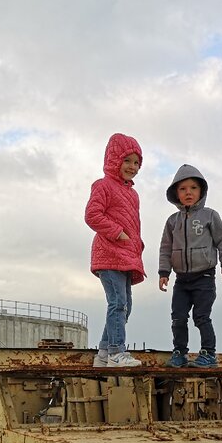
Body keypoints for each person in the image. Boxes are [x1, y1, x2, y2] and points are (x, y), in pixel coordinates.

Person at [157, 164, 222, 368]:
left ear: (201, 191)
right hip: (181, 280)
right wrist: (164, 272)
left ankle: (208, 354)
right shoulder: (173, 221)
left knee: (201, 317)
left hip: (204, 277)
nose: (188, 192)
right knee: (178, 318)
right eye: (182, 189)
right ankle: (179, 352)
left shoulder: (210, 216)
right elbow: (165, 248)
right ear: (176, 193)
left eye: (193, 188)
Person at [85, 133, 146, 367]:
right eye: (127, 160)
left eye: (136, 162)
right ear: (114, 160)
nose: (132, 167)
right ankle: (116, 352)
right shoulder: (102, 185)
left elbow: (133, 225)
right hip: (108, 254)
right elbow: (92, 215)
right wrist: (117, 232)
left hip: (126, 256)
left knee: (125, 305)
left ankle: (103, 352)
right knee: (117, 302)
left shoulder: (132, 194)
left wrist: (137, 244)